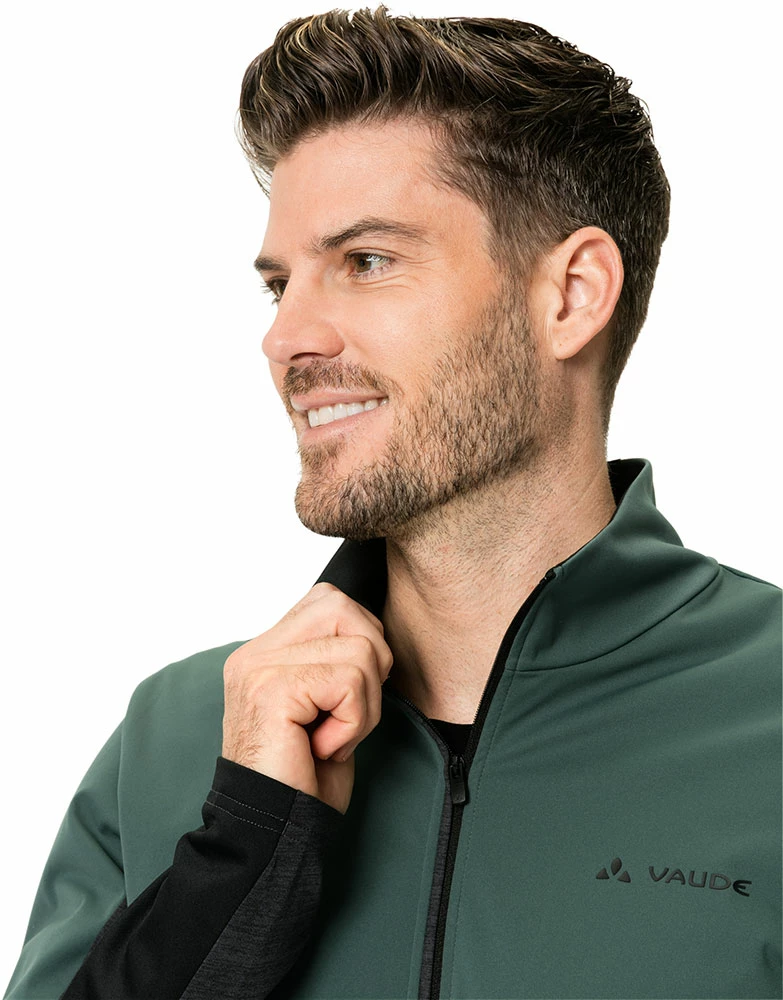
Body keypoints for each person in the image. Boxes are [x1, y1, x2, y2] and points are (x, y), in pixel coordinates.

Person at [5, 8, 781, 999]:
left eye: (365, 262)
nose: (285, 337)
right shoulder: (180, 735)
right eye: (279, 284)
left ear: (572, 295)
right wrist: (237, 861)